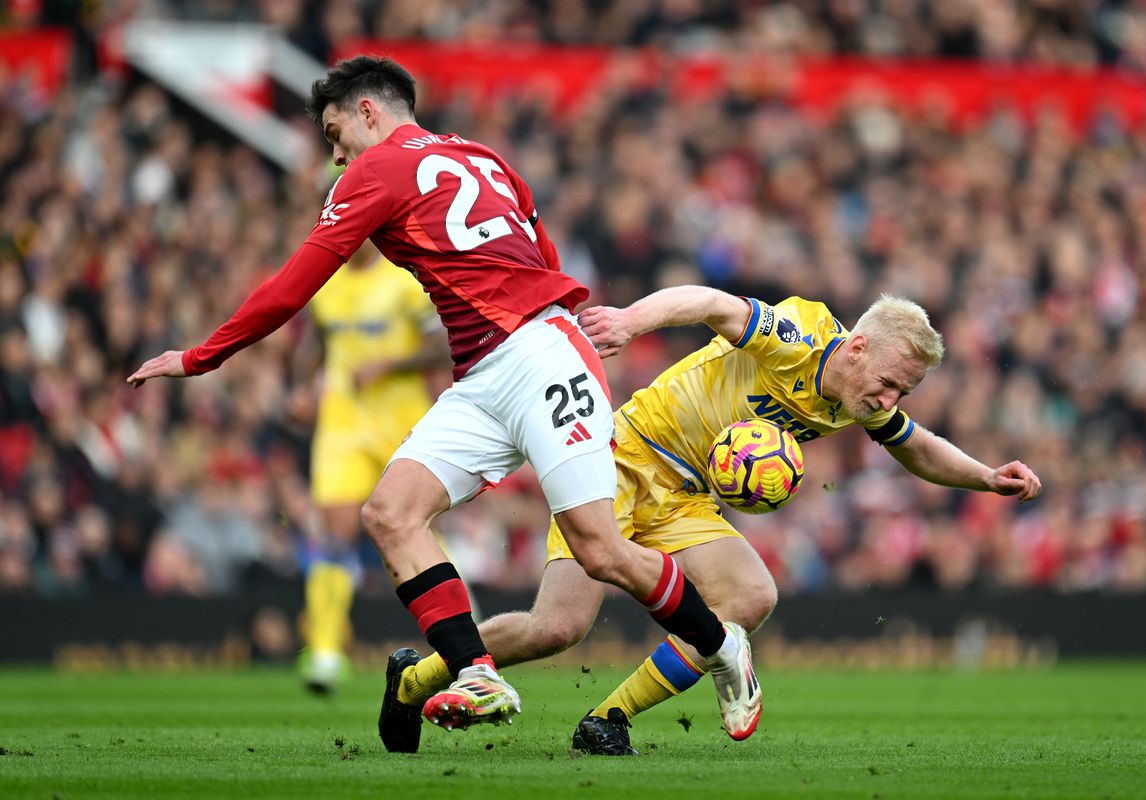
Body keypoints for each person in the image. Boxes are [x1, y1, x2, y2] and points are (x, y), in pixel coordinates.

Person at [126, 56, 760, 752]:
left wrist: (199, 356)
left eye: (337, 133)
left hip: (538, 357)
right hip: (490, 369)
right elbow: (542, 254)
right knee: (389, 512)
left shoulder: (375, 170)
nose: (336, 155)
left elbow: (293, 284)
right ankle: (477, 673)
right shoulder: (485, 156)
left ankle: (721, 648)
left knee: (601, 551)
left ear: (370, 111)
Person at [390, 285, 1043, 754]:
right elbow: (711, 305)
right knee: (555, 628)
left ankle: (608, 719)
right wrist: (631, 322)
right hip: (621, 461)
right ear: (858, 347)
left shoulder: (862, 398)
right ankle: (415, 680)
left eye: (904, 392)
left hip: (688, 494)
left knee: (751, 594)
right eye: (892, 383)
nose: (890, 400)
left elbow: (917, 446)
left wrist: (986, 476)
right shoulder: (800, 336)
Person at [297, 245, 448, 693]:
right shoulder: (324, 280)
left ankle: (461, 634)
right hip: (341, 427)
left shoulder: (404, 279)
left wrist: (391, 365)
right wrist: (303, 386)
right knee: (334, 534)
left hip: (401, 424)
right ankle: (324, 653)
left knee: (415, 529)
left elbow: (440, 346)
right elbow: (315, 342)